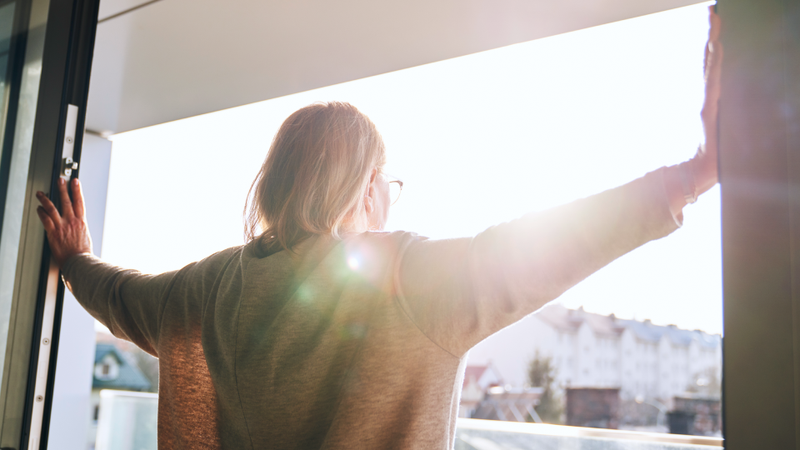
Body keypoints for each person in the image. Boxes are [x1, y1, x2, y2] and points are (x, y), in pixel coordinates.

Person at [36, 8, 722, 450]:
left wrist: (75, 262)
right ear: (362, 191)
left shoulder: (212, 287)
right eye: (385, 183)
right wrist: (698, 172)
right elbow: (548, 246)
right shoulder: (405, 280)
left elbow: (124, 298)